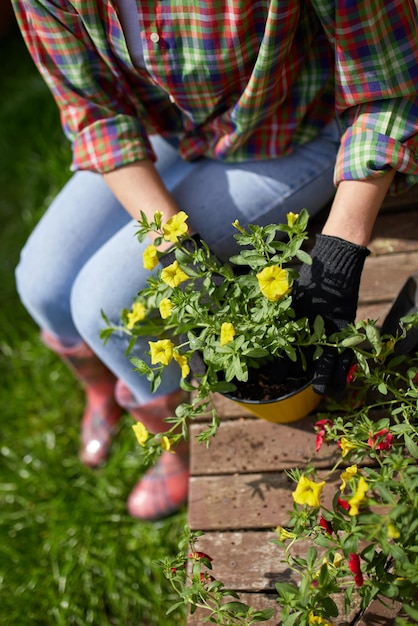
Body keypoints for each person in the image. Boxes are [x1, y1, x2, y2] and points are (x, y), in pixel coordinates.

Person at [11, 0, 418, 521]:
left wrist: (337, 254)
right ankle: (102, 392)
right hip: (171, 126)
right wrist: (177, 247)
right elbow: (95, 114)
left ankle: (178, 451)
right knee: (42, 282)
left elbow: (388, 82)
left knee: (101, 304)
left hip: (296, 129)